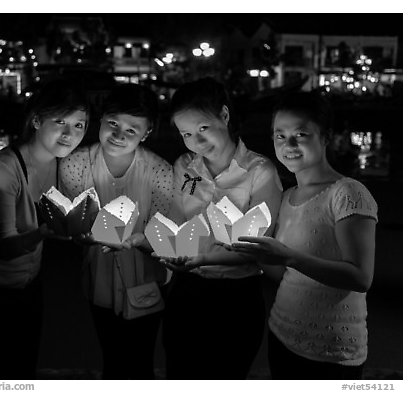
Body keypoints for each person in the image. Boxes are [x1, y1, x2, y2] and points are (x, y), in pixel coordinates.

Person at [231, 92, 378, 380]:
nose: (289, 145)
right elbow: (285, 272)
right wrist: (256, 255)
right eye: (280, 135)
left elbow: (361, 277)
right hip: (281, 332)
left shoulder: (348, 193)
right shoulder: (287, 197)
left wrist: (288, 256)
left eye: (301, 134)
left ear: (325, 137)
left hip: (331, 348)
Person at [160, 78, 283, 379]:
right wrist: (166, 250)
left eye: (203, 128)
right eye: (186, 133)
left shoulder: (259, 171)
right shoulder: (184, 167)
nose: (196, 142)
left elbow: (259, 247)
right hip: (187, 291)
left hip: (236, 298)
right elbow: (176, 225)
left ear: (225, 116)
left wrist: (202, 258)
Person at [0, 79, 89, 379]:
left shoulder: (62, 165)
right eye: (61, 122)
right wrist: (43, 232)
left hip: (32, 284)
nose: (70, 134)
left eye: (80, 125)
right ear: (37, 120)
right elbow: (4, 245)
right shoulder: (4, 167)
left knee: (25, 367)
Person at [59, 83, 173, 379]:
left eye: (132, 130)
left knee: (140, 362)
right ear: (101, 119)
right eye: (113, 124)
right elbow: (72, 219)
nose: (119, 135)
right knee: (111, 358)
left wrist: (138, 240)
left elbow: (162, 230)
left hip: (147, 280)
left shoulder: (159, 170)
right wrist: (78, 234)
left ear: (147, 133)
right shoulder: (75, 164)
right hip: (99, 279)